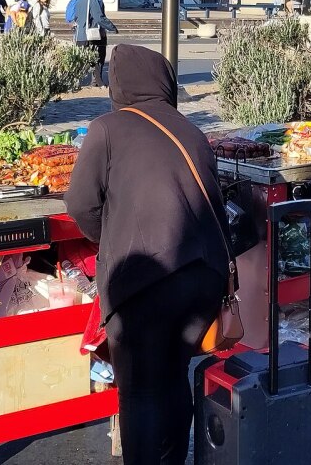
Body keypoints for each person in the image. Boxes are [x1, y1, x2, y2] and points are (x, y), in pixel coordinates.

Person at [64, 43, 228, 465]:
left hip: (145, 283)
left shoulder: (106, 128)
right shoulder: (191, 130)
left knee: (139, 391)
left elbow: (81, 205)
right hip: (203, 278)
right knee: (174, 377)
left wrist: (112, 240)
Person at [74, 0, 118, 87]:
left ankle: (75, 83)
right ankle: (97, 81)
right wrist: (111, 27)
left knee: (80, 60)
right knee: (98, 57)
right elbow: (98, 17)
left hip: (80, 33)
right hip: (91, 34)